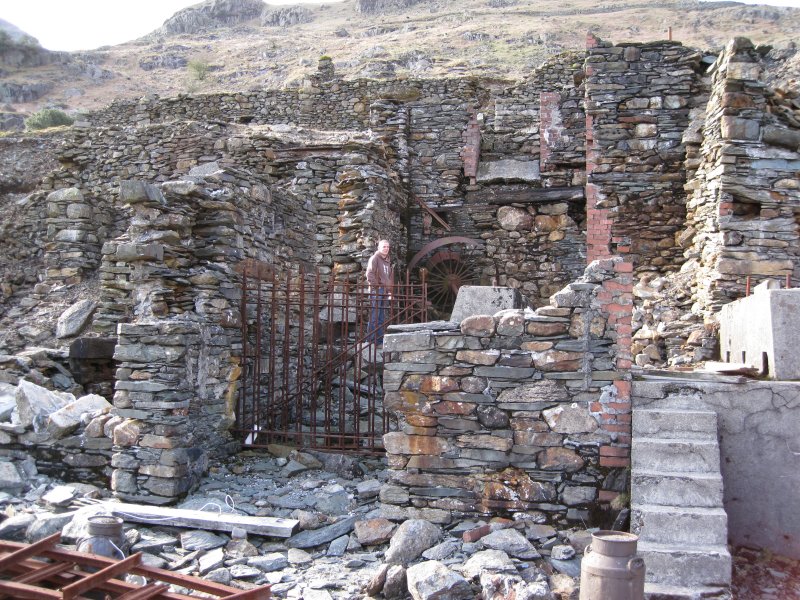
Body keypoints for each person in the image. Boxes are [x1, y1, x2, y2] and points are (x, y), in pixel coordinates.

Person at [365, 239, 394, 346]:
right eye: (384, 247)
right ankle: (371, 340)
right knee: (374, 316)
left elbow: (388, 278)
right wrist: (377, 287)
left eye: (387, 247)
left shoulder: (387, 261)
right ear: (379, 248)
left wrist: (390, 291)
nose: (386, 248)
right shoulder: (374, 258)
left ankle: (380, 340)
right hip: (377, 291)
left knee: (381, 316)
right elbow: (369, 274)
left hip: (385, 291)